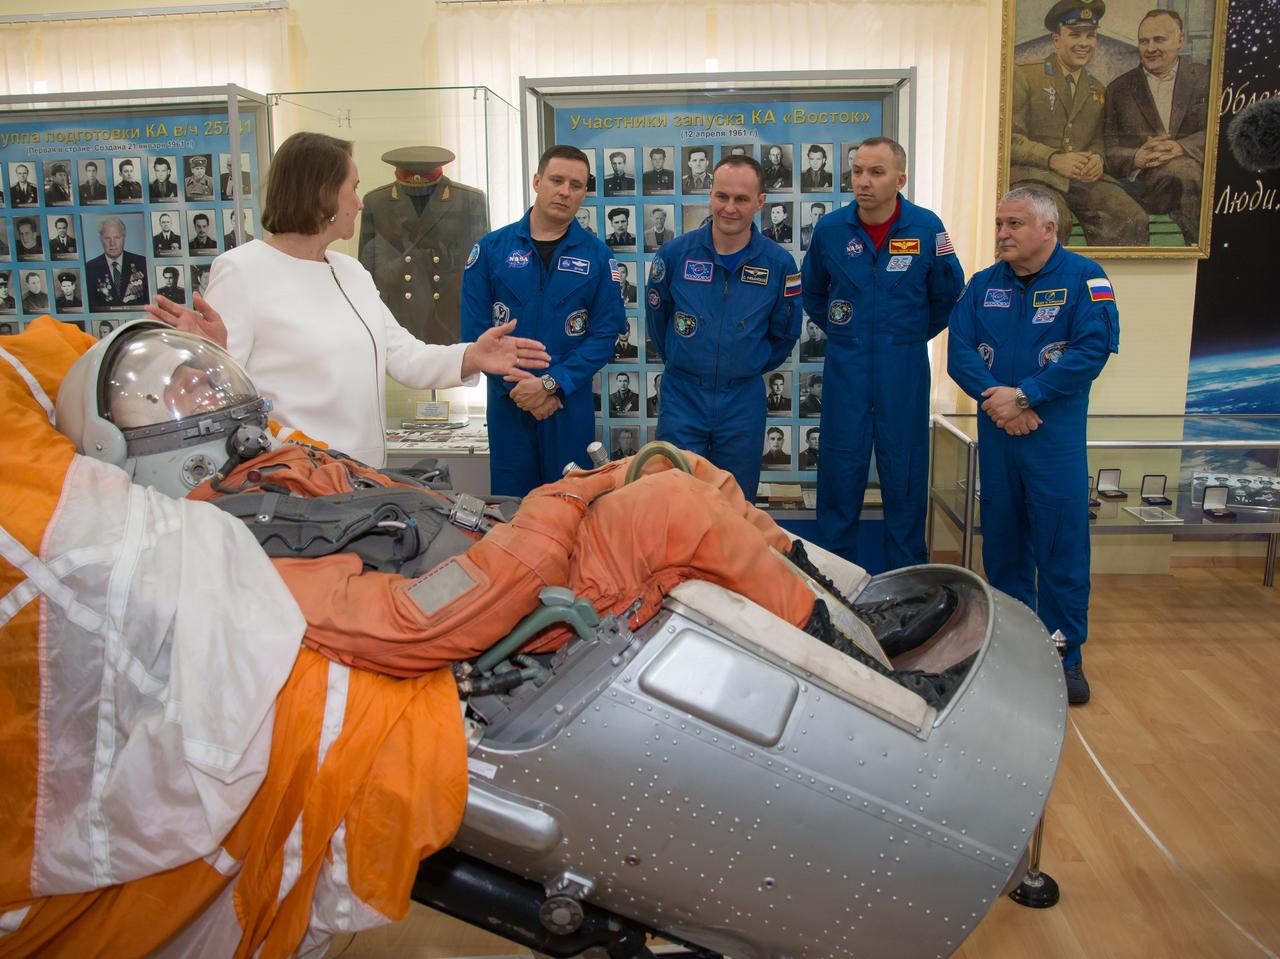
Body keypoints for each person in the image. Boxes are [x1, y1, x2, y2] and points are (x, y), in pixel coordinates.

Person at [158, 132, 549, 470]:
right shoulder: (242, 271)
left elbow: (402, 355)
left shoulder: (350, 271)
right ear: (323, 194)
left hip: (361, 478)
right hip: (292, 482)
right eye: (354, 188)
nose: (361, 203)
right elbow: (221, 399)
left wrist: (471, 356)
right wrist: (208, 355)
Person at [947, 185, 1119, 705]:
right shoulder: (981, 285)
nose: (1002, 233)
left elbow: (1093, 349)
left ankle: (1066, 656)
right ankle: (1012, 652)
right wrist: (1001, 403)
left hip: (1053, 438)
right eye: (1000, 223)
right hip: (1000, 436)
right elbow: (960, 354)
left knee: (1061, 546)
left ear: (1049, 229)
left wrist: (1027, 396)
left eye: (1015, 224)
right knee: (1003, 545)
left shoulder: (1085, 278)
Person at [802, 136, 964, 570]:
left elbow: (949, 295)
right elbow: (814, 294)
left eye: (876, 172)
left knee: (906, 483)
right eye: (857, 171)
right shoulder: (831, 230)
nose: (863, 181)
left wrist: (905, 336)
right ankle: (833, 591)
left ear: (901, 179)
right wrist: (849, 332)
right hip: (846, 372)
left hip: (904, 372)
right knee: (838, 481)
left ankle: (909, 591)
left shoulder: (927, 228)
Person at [461, 143, 624, 494]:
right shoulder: (491, 250)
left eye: (576, 185)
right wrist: (521, 389)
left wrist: (550, 385)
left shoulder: (598, 257)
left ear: (584, 193)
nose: (565, 191)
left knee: (570, 506)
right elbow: (475, 333)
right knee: (512, 509)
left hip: (567, 404)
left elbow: (605, 335)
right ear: (537, 181)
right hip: (509, 405)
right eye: (557, 180)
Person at [647, 154, 802, 501]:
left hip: (741, 401)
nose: (729, 208)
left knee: (735, 504)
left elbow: (785, 334)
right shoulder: (674, 255)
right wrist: (686, 359)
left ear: (760, 203)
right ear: (710, 195)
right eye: (722, 196)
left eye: (742, 199)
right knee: (675, 498)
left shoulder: (779, 265)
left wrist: (744, 365)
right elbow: (659, 324)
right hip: (683, 396)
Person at [1010, 0, 1146, 246]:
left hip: (1082, 182)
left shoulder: (1097, 88)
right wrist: (1053, 158)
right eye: (1074, 35)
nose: (1084, 43)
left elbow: (1097, 139)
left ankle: (1102, 282)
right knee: (1052, 220)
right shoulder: (1026, 75)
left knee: (1130, 216)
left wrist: (1097, 158)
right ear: (1056, 39)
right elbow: (1008, 140)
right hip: (1036, 177)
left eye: (1090, 35)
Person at [1103, 8, 1209, 243]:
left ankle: (1195, 248)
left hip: (1194, 180)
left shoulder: (1205, 79)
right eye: (1144, 41)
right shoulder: (1118, 89)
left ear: (1180, 40)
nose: (1150, 49)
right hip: (1144, 187)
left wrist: (1180, 147)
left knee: (1187, 170)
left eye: (1159, 39)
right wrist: (1136, 157)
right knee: (1185, 172)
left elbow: (1217, 131)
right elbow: (1107, 149)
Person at [86, 217, 150, 311]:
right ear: (100, 239)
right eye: (107, 238)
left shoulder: (142, 263)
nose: (112, 243)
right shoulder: (89, 268)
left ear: (124, 237)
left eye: (117, 237)